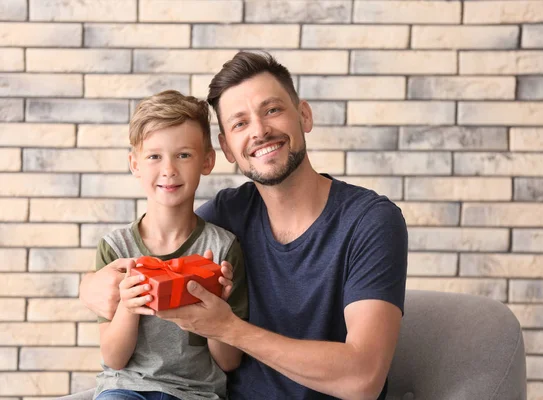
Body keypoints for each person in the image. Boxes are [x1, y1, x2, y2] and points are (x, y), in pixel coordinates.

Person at [80, 51, 407, 400]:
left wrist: (228, 328)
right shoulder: (227, 215)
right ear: (226, 149)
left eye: (272, 110)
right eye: (239, 123)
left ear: (304, 116)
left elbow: (363, 379)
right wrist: (89, 286)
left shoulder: (369, 221)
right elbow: (162, 241)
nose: (260, 131)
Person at [91, 90, 248, 400]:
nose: (169, 169)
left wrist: (216, 308)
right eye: (154, 156)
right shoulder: (116, 250)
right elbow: (113, 358)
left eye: (183, 154)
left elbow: (229, 362)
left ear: (207, 160)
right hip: (127, 389)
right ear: (135, 163)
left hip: (196, 393)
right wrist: (128, 304)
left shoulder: (222, 249)